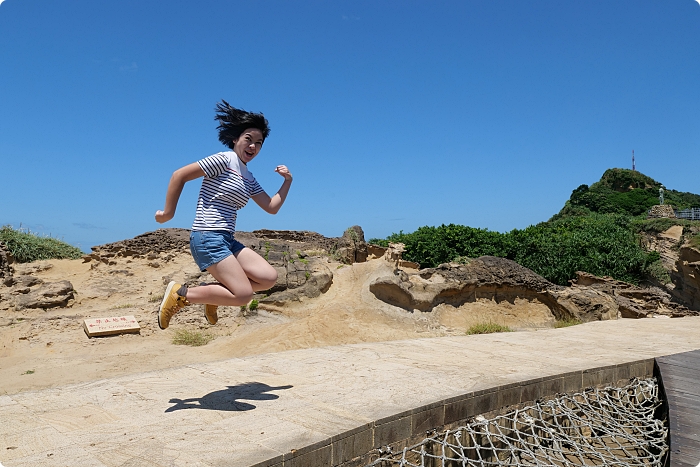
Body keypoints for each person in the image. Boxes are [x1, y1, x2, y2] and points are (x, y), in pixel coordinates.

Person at [154, 100, 292, 329]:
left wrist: (288, 181)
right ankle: (182, 293)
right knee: (243, 295)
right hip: (207, 236)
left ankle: (212, 295)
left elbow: (271, 207)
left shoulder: (248, 176)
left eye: (259, 143)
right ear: (236, 139)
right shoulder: (223, 160)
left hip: (227, 239)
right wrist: (168, 213)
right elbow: (179, 175)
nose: (253, 146)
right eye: (248, 139)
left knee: (268, 278)